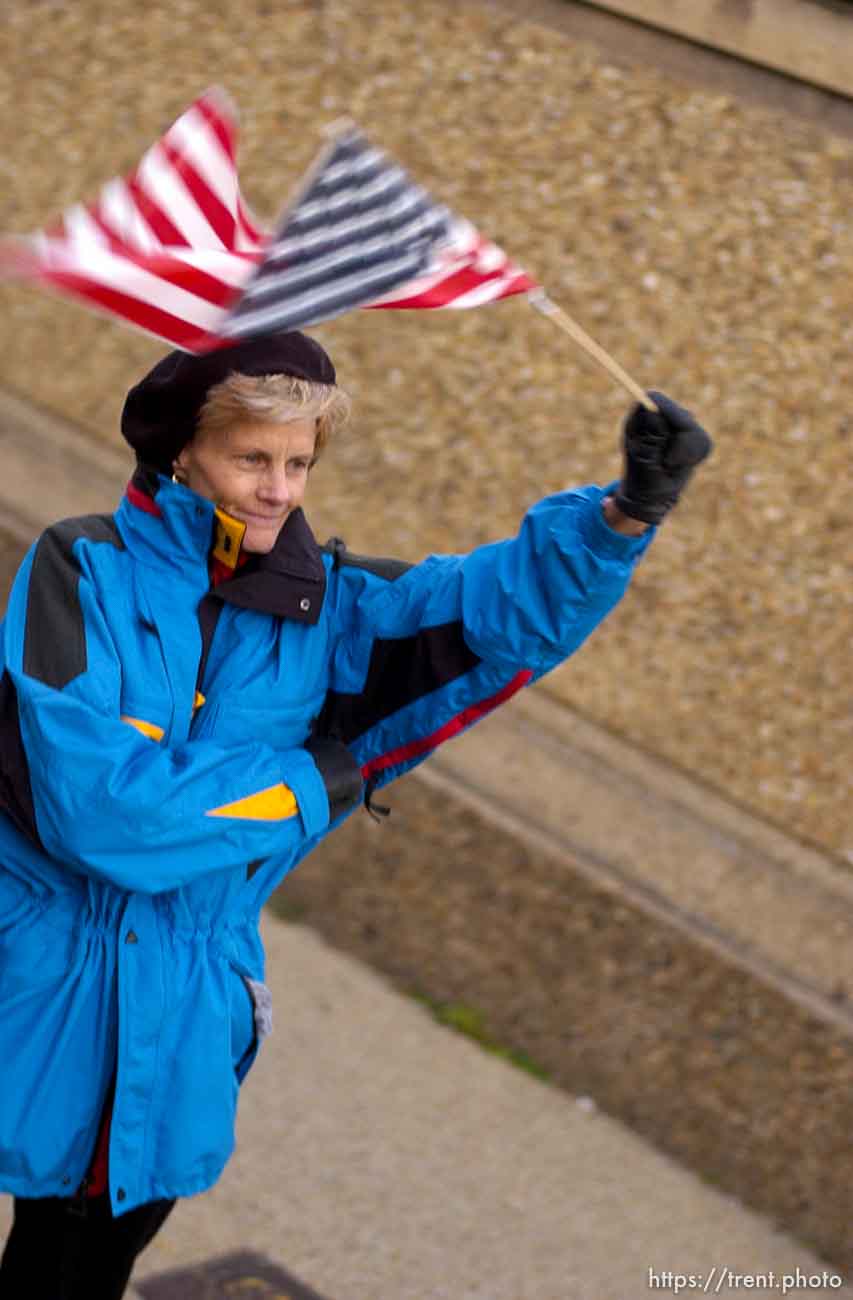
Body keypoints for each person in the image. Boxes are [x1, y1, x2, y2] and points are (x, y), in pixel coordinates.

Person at [0, 329, 711, 1298]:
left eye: (298, 463)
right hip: (37, 975)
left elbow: (492, 613)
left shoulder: (327, 606)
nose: (279, 488)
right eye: (252, 457)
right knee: (42, 1236)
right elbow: (103, 817)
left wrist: (620, 518)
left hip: (189, 997)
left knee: (89, 1262)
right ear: (182, 452)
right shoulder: (80, 568)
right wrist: (309, 783)